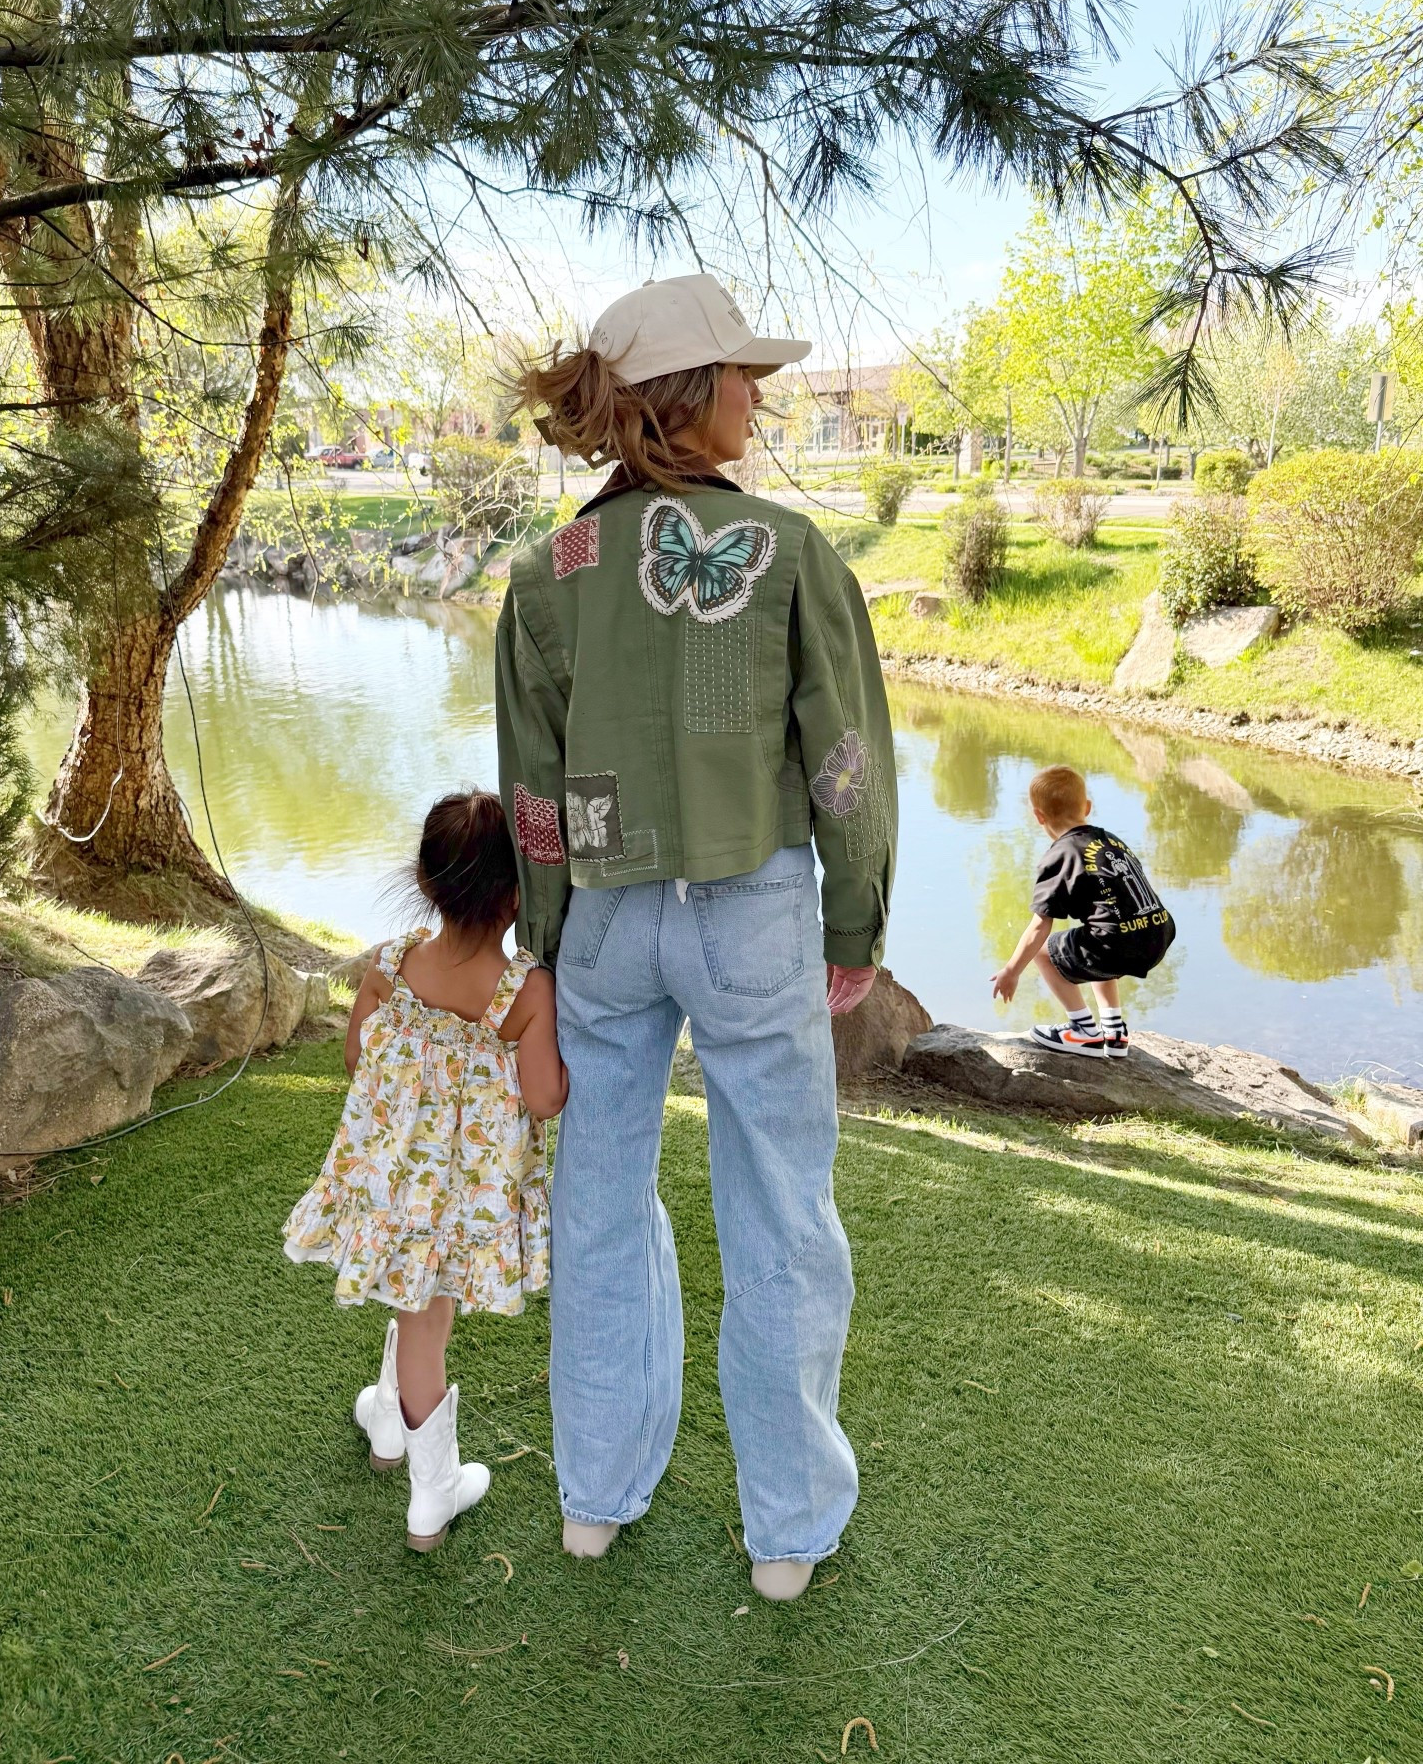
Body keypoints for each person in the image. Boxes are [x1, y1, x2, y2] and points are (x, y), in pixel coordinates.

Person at [495, 273, 896, 1602]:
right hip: (753, 911)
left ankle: (595, 1501)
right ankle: (785, 1536)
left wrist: (544, 952)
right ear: (690, 395)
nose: (760, 393)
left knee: (598, 1204)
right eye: (743, 374)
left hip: (606, 925)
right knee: (779, 1214)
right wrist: (856, 917)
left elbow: (535, 798)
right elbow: (845, 762)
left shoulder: (548, 576)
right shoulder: (789, 553)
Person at [282, 790, 567, 1550]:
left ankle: (386, 1422)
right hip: (458, 1204)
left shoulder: (388, 966)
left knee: (413, 1304)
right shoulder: (524, 993)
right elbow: (545, 1098)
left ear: (426, 881)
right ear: (514, 898)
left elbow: (357, 1057)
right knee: (425, 1325)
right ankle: (431, 1494)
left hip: (392, 1191)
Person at [991, 765, 1175, 1059]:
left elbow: (1040, 926)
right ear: (1087, 808)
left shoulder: (1060, 855)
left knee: (1044, 952)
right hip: (1158, 933)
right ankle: (1114, 1033)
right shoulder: (1111, 840)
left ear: (1039, 816)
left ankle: (1084, 1030)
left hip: (1118, 943)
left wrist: (1011, 971)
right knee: (1099, 932)